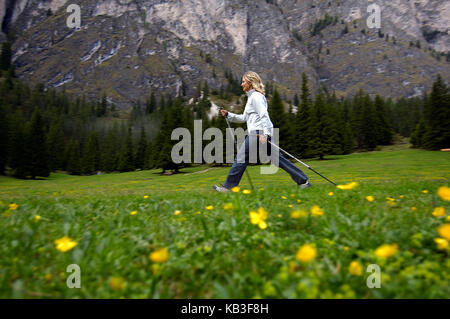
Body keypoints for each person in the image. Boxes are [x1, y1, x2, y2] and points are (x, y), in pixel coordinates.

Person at [213, 71, 311, 192]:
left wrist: (265, 134)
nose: (241, 84)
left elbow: (264, 115)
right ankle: (303, 181)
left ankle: (229, 187)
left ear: (250, 82)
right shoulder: (251, 98)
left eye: (243, 81)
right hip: (260, 132)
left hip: (258, 133)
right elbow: (244, 118)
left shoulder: (256, 97)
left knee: (242, 157)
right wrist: (228, 115)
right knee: (277, 159)